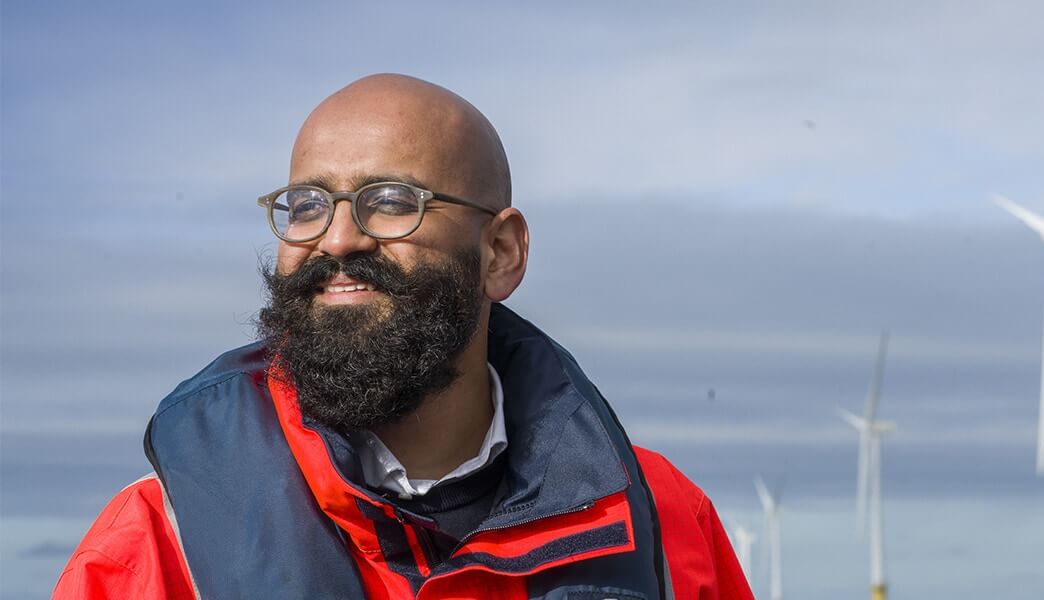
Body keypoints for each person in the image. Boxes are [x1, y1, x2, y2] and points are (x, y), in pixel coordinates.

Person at [53, 74, 753, 600]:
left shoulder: (659, 518)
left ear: (501, 253)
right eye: (306, 205)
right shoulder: (163, 535)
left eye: (391, 201)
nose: (337, 238)